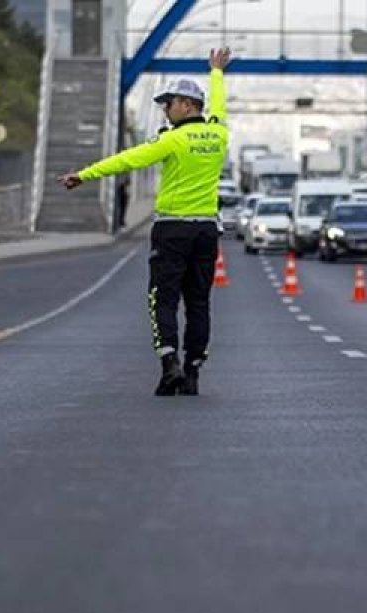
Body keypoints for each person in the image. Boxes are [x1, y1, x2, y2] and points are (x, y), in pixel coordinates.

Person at [58, 47, 233, 396]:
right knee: (198, 302)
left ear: (185, 104)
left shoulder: (172, 140)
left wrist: (85, 175)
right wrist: (216, 72)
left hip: (172, 230)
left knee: (162, 298)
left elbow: (128, 160)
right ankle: (194, 370)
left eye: (168, 104)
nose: (165, 111)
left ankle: (170, 365)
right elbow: (220, 106)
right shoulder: (219, 135)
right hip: (206, 231)